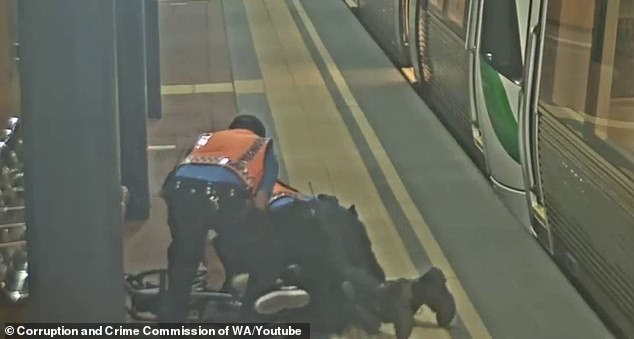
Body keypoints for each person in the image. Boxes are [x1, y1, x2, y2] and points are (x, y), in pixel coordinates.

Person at [253, 180, 457, 338]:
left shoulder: (242, 209)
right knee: (368, 284)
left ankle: (388, 299)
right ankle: (420, 289)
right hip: (338, 215)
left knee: (343, 288)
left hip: (309, 224)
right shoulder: (260, 180)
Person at [157, 115, 309, 323]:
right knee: (268, 253)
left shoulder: (206, 139)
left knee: (183, 258)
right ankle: (253, 313)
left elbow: (181, 171)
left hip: (178, 190)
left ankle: (171, 323)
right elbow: (259, 205)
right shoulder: (262, 147)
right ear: (259, 134)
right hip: (223, 195)